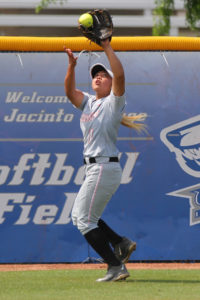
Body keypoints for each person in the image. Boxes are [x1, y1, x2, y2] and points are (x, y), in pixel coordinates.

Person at [64, 39, 138, 282]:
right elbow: (69, 93)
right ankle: (120, 242)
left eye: (102, 75)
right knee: (80, 217)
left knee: (85, 220)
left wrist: (106, 46)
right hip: (96, 167)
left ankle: (116, 266)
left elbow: (120, 74)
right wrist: (72, 67)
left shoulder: (113, 102)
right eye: (95, 74)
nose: (98, 77)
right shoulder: (88, 102)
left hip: (104, 166)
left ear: (110, 82)